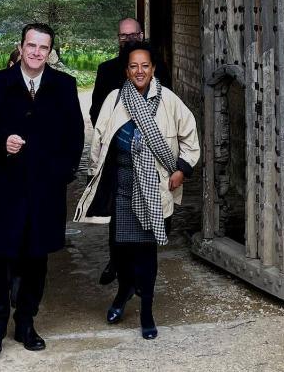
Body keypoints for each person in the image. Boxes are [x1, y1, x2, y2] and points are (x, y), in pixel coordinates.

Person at [0, 23, 85, 358]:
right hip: (3, 186)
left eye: (43, 48)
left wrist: (62, 173)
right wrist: (0, 142)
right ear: (20, 47)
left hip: (44, 189)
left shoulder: (64, 85)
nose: (37, 53)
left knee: (36, 257)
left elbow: (74, 134)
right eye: (31, 46)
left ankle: (25, 322)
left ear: (51, 52)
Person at [74, 40, 200, 340]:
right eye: (134, 66)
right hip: (122, 187)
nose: (140, 71)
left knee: (146, 255)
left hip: (155, 190)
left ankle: (147, 311)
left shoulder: (169, 101)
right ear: (127, 71)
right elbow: (99, 142)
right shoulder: (115, 100)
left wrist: (181, 170)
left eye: (145, 65)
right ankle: (123, 292)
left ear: (153, 69)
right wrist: (98, 176)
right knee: (121, 252)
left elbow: (190, 138)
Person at [89, 17, 172, 286]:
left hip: (151, 152)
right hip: (119, 155)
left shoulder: (157, 69)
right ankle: (117, 262)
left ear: (142, 34)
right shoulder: (106, 70)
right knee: (119, 212)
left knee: (152, 204)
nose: (128, 39)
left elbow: (170, 109)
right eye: (123, 36)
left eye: (133, 34)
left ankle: (143, 270)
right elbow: (96, 111)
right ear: (118, 39)